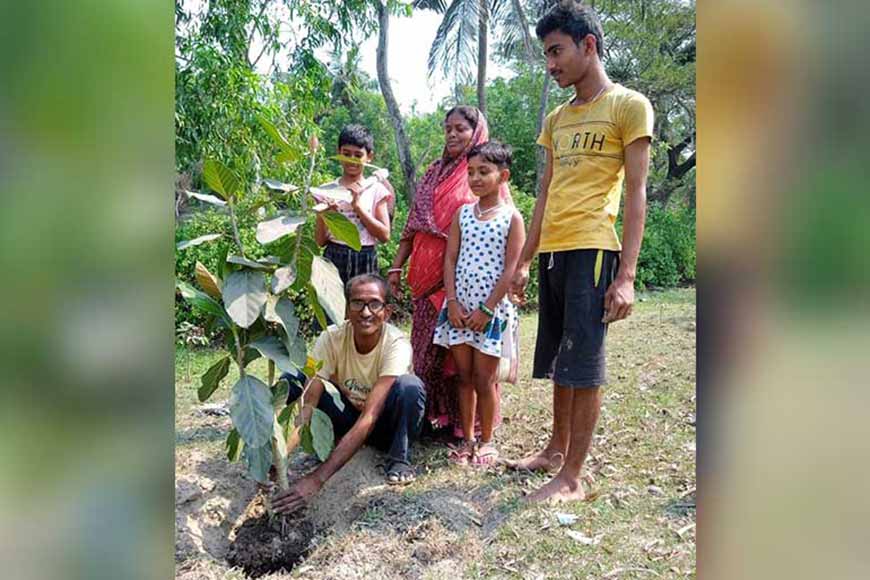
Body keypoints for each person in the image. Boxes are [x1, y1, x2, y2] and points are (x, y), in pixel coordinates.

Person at [506, 1, 654, 503]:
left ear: (588, 45)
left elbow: (637, 192)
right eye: (546, 53)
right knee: (560, 359)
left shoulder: (628, 106)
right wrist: (525, 259)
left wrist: (627, 274)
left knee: (584, 363)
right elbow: (544, 192)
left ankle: (572, 476)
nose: (550, 64)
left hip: (594, 247)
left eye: (556, 51)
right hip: (554, 251)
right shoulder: (555, 118)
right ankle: (554, 451)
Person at [387, 106, 511, 439]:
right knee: (426, 356)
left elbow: (509, 237)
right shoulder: (433, 173)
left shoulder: (490, 180)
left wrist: (519, 273)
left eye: (460, 128)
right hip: (424, 280)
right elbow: (413, 224)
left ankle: (467, 428)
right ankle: (432, 417)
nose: (453, 135)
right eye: (448, 129)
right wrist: (397, 265)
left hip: (465, 285)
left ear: (477, 132)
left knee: (461, 363)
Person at [273, 275, 425, 514]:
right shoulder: (330, 338)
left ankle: (399, 457)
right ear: (346, 309)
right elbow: (308, 403)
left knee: (410, 387)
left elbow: (370, 416)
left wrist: (316, 479)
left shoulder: (397, 344)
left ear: (387, 312)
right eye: (357, 303)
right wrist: (281, 459)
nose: (365, 312)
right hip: (349, 417)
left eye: (374, 304)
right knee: (297, 378)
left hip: (383, 424)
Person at [433, 141, 525, 467]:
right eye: (470, 172)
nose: (475, 178)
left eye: (483, 172)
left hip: (490, 311)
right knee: (463, 376)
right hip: (459, 309)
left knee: (485, 380)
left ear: (503, 176)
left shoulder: (512, 218)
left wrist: (487, 310)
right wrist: (454, 303)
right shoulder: (462, 214)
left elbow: (511, 268)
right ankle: (467, 440)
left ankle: (487, 441)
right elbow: (450, 260)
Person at [315, 124, 394, 285]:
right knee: (331, 308)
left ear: (369, 156)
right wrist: (327, 215)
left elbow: (384, 236)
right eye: (346, 154)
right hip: (333, 256)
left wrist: (358, 208)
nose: (351, 160)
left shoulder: (376, 190)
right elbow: (320, 241)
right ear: (338, 153)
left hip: (365, 256)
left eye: (358, 155)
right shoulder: (326, 191)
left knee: (362, 306)